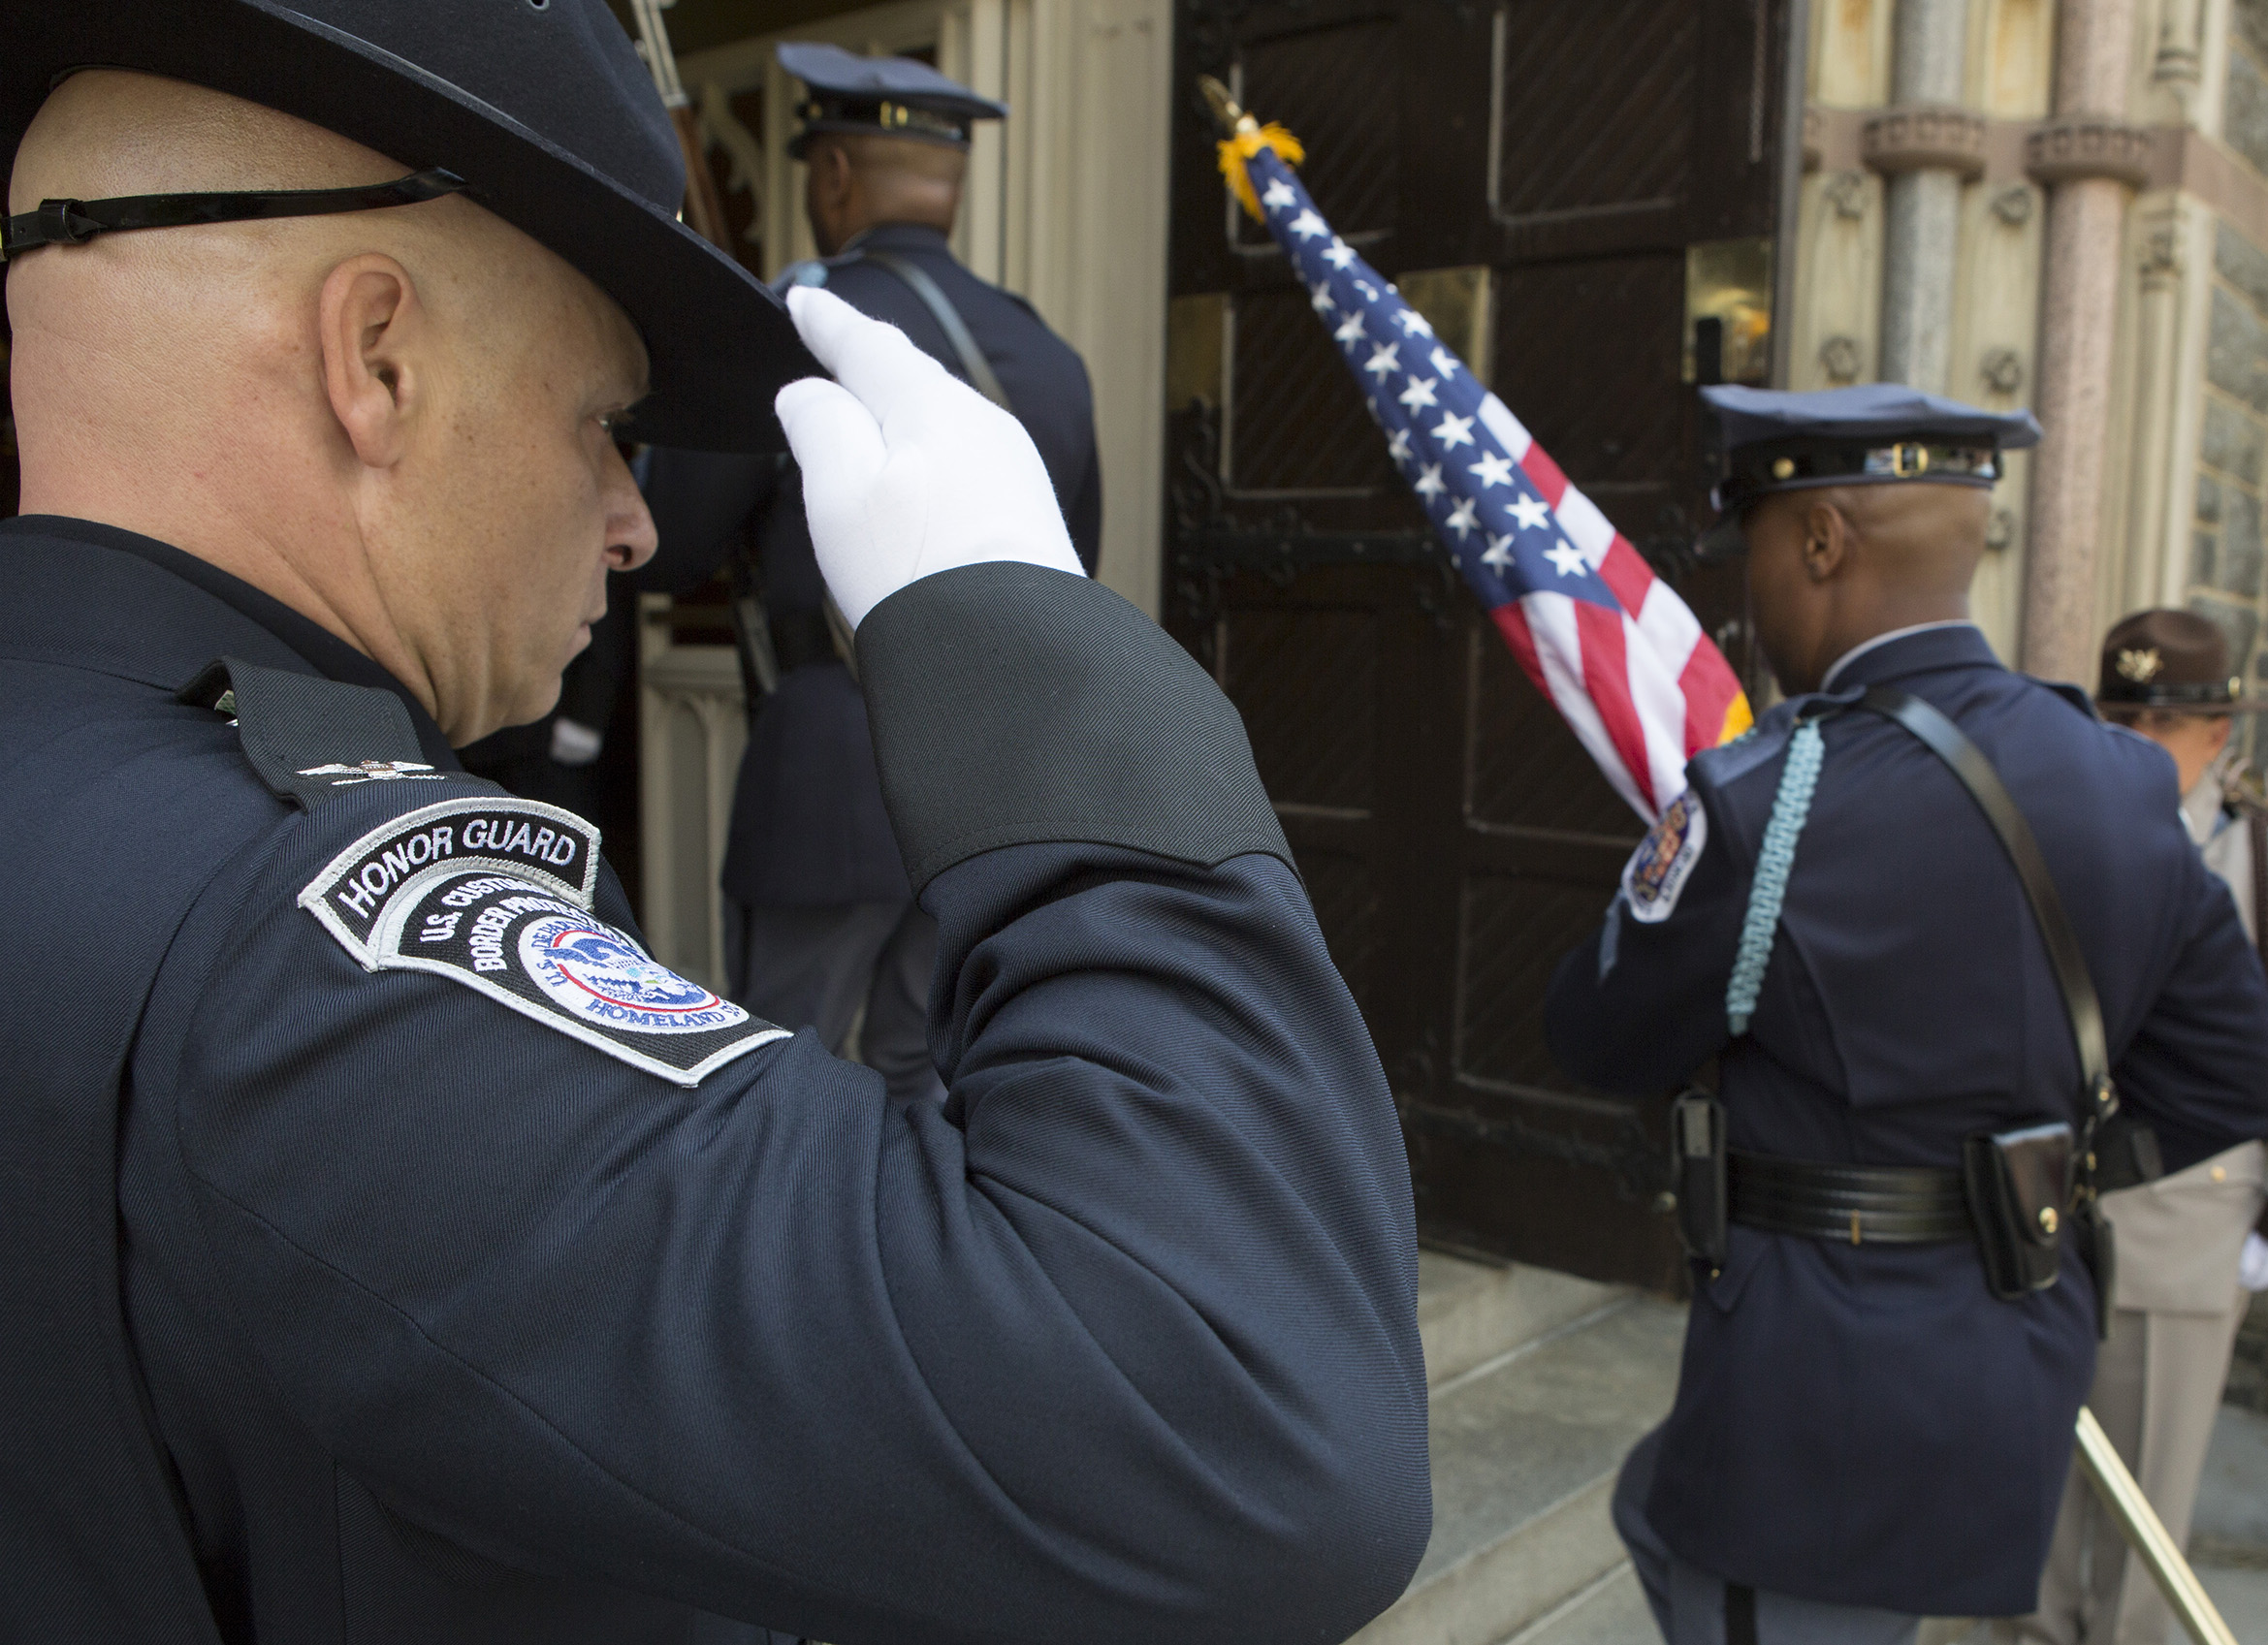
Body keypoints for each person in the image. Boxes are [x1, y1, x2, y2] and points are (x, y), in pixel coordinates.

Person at [0, 6, 1427, 1642]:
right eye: (604, 421)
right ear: (375, 361)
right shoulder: (308, 951)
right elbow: (1249, 1416)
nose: (627, 516)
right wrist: (1035, 647)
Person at [1545, 384, 2268, 1645]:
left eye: (1762, 548)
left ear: (1823, 542)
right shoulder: (2119, 777)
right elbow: (2233, 1076)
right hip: (2010, 1344)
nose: (1753, 587)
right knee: (1655, 1513)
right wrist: (2021, 1174)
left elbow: (1595, 1035)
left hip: (1812, 1388)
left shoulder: (1771, 796)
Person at [636, 45, 1101, 1101]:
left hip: (827, 774)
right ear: (950, 181)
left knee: (766, 1085)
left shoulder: (792, 327)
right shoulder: (1047, 358)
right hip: (989, 786)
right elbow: (1072, 570)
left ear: (833, 175)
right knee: (927, 1084)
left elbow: (667, 545)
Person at [2013, 608, 2268, 1645]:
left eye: (2159, 722)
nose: (2133, 739)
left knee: (2146, 1490)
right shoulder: (2054, 837)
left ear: (2215, 734)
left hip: (2185, 1221)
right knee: (2038, 1466)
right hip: (2044, 1211)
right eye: (2116, 713)